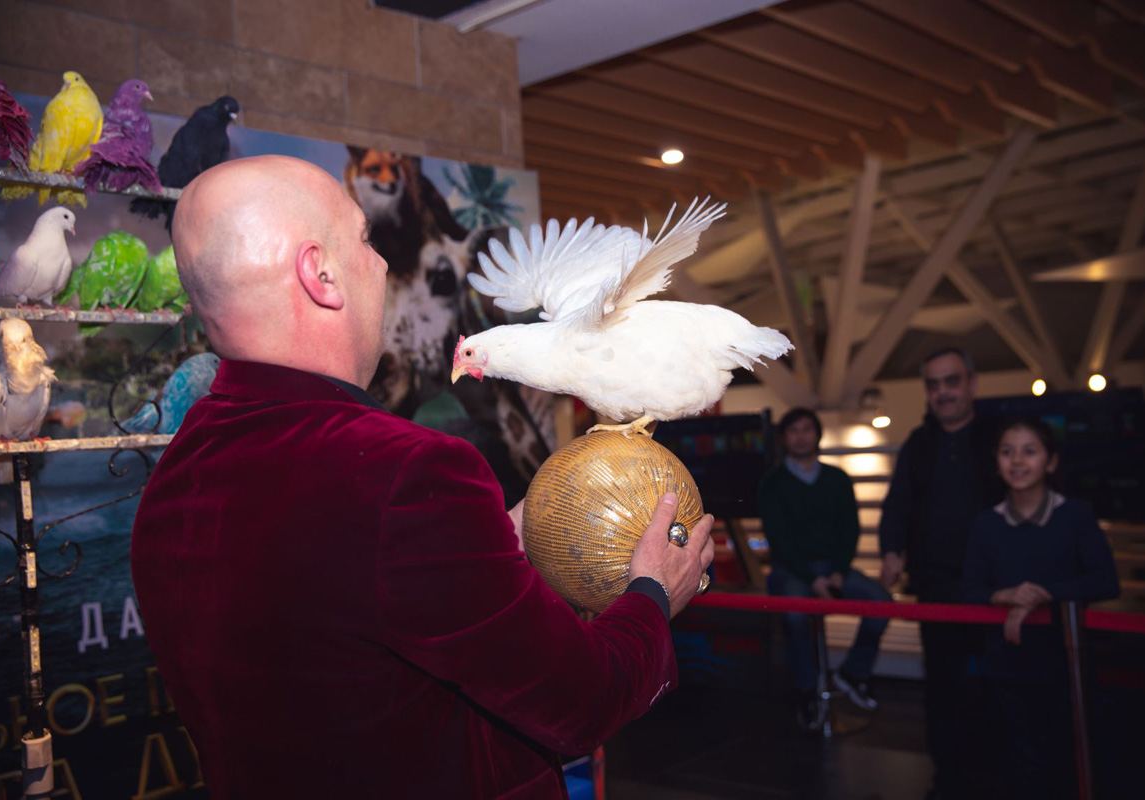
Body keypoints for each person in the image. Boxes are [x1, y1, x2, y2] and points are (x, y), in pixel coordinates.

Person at [130, 155, 715, 799]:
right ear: (319, 274)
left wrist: (480, 545)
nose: (382, 263)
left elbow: (341, 622)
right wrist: (653, 597)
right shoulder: (406, 474)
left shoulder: (174, 480)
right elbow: (582, 703)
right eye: (365, 238)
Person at [963, 418, 1119, 800]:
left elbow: (1105, 581)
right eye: (1007, 451)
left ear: (1050, 462)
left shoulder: (1076, 516)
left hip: (1066, 661)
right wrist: (1004, 595)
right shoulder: (986, 523)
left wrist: (1042, 594)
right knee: (1014, 761)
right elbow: (968, 590)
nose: (1017, 461)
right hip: (1005, 663)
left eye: (1029, 451)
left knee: (1069, 761)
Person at [878, 347, 1000, 799]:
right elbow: (898, 504)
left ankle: (997, 770)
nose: (943, 392)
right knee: (944, 685)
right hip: (936, 585)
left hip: (995, 588)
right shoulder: (918, 444)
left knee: (997, 682)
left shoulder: (997, 438)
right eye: (934, 384)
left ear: (971, 383)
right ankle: (947, 774)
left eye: (951, 381)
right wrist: (891, 551)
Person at [759, 408, 890, 720]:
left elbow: (850, 529)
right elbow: (778, 539)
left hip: (834, 568)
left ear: (817, 434)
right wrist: (812, 578)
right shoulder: (772, 483)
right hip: (791, 571)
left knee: (882, 602)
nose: (801, 436)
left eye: (807, 429)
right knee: (794, 615)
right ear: (783, 438)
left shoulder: (837, 479)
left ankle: (853, 674)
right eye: (794, 430)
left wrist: (839, 572)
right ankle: (806, 691)